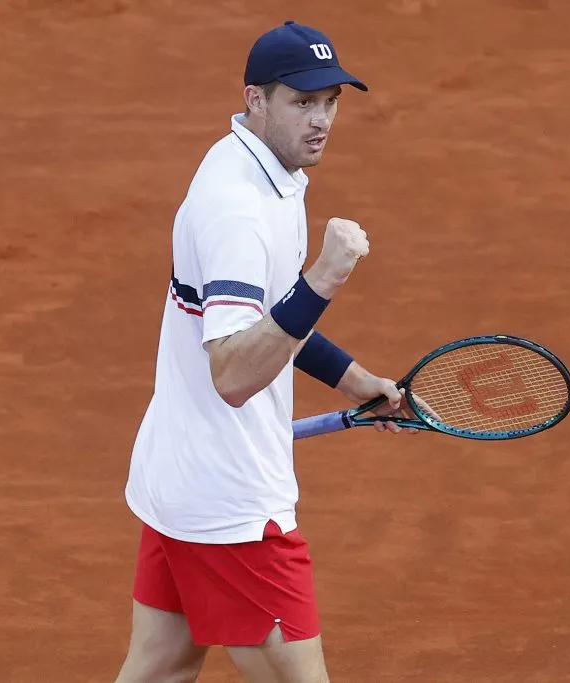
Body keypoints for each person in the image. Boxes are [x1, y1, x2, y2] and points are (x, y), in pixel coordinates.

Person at [115, 20, 413, 683]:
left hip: (183, 474)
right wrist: (326, 277)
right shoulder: (237, 210)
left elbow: (269, 317)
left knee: (159, 667)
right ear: (255, 99)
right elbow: (233, 372)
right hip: (233, 506)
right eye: (301, 101)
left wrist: (354, 378)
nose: (321, 119)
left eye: (331, 100)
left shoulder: (260, 168)